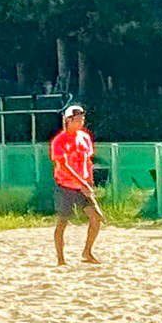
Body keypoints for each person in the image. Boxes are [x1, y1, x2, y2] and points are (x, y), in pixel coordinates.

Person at [51, 103, 102, 266]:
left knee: (96, 217)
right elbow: (64, 166)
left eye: (82, 118)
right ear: (68, 120)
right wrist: (82, 183)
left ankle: (87, 252)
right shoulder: (59, 141)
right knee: (62, 221)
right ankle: (61, 259)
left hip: (83, 186)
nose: (81, 122)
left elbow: (88, 161)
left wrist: (89, 183)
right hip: (65, 185)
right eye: (77, 119)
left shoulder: (84, 137)